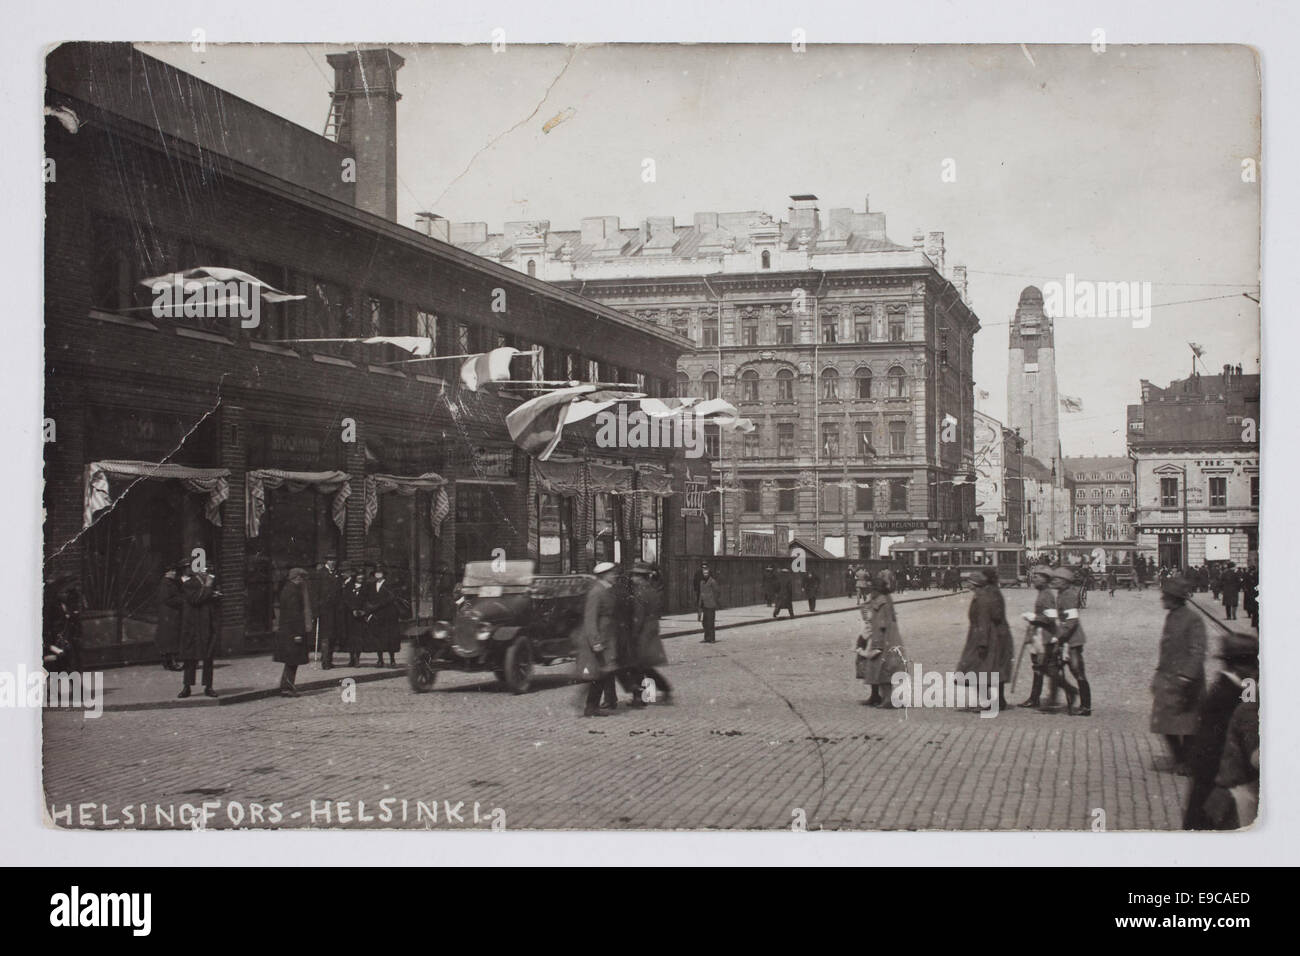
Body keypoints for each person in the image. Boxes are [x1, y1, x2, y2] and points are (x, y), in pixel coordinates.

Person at [1184, 632, 1259, 830]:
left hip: (1212, 783)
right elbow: (1215, 748)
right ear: (1243, 665)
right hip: (1217, 787)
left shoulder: (1226, 689)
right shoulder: (1230, 696)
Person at [1150, 574, 1207, 773]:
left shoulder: (1193, 619)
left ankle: (1187, 761)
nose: (1162, 599)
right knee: (1165, 723)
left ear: (1174, 597)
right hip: (1168, 678)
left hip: (1185, 680)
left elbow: (1198, 650)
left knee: (1187, 724)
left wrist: (1187, 677)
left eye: (1165, 596)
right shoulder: (1173, 615)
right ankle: (1181, 758)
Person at [956, 568, 1014, 710]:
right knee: (992, 669)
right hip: (993, 635)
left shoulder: (982, 597)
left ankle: (988, 702)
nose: (967, 584)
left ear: (975, 584)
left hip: (984, 636)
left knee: (978, 668)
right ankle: (998, 701)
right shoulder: (991, 592)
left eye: (969, 582)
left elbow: (984, 620)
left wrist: (982, 642)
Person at [1018, 564, 1072, 711]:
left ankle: (1068, 691)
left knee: (1046, 668)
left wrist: (1033, 617)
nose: (1033, 579)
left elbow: (1050, 618)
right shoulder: (1043, 593)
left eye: (1036, 577)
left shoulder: (1047, 595)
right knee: (1039, 667)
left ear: (1044, 579)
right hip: (1039, 635)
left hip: (1046, 636)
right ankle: (1035, 698)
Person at [855, 571, 907, 707]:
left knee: (884, 668)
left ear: (877, 590)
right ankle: (875, 695)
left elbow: (881, 624)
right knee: (872, 667)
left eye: (872, 589)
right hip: (877, 637)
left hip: (883, 639)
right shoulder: (878, 600)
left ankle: (888, 699)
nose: (870, 592)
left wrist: (876, 643)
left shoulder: (881, 602)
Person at [576, 562, 620, 717]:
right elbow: (590, 619)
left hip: (607, 638)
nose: (614, 576)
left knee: (603, 672)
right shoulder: (597, 592)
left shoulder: (607, 590)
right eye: (612, 573)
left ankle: (591, 706)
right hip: (599, 639)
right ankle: (590, 707)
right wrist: (595, 641)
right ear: (604, 575)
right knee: (599, 672)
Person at [1048, 566, 1092, 716]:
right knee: (1052, 667)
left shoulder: (1068, 596)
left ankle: (1086, 706)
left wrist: (1059, 637)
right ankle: (1068, 692)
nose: (1053, 581)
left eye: (1057, 579)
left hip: (1073, 640)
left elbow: (1072, 620)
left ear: (1065, 582)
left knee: (1077, 672)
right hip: (1065, 638)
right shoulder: (1061, 593)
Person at [629, 561, 672, 704]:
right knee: (645, 665)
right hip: (651, 628)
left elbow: (638, 615)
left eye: (635, 575)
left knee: (638, 665)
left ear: (641, 577)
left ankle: (641, 697)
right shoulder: (651, 589)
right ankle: (658, 691)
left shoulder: (640, 591)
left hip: (643, 632)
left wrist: (633, 633)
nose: (632, 578)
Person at [177, 564, 222, 699]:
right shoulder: (189, 584)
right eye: (205, 570)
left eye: (208, 570)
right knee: (190, 657)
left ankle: (209, 686)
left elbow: (208, 598)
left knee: (208, 656)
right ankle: (187, 686)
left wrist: (215, 595)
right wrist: (208, 588)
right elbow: (195, 599)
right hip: (193, 626)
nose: (207, 573)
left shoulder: (212, 583)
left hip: (207, 624)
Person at [274, 567, 313, 697]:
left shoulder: (288, 589)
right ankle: (287, 687)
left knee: (291, 660)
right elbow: (294, 614)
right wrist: (297, 633)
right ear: (297, 578)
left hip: (288, 631)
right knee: (292, 660)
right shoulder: (292, 591)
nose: (302, 581)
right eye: (301, 578)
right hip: (292, 632)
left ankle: (286, 686)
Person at [311, 555, 344, 669]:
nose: (333, 562)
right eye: (330, 560)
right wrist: (315, 611)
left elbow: (340, 592)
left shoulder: (338, 574)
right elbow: (314, 593)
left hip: (336, 611)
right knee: (326, 636)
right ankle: (325, 662)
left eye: (334, 560)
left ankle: (329, 660)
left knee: (333, 636)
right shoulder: (320, 574)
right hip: (324, 610)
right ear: (326, 561)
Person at [365, 565, 401, 667]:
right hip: (377, 615)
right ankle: (380, 659)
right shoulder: (372, 585)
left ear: (384, 574)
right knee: (378, 638)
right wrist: (369, 607)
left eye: (380, 573)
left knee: (390, 637)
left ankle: (392, 660)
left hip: (388, 614)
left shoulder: (389, 585)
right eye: (376, 573)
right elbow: (369, 597)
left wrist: (376, 605)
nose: (378, 575)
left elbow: (390, 598)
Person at [154, 561, 186, 672]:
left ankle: (167, 662)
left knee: (168, 638)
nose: (174, 573)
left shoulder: (168, 583)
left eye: (174, 571)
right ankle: (172, 662)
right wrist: (183, 600)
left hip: (169, 614)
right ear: (166, 573)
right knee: (171, 639)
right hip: (170, 614)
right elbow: (168, 599)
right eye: (171, 571)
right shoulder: (166, 584)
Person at [343, 564, 367, 667]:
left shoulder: (367, 587)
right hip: (350, 616)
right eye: (358, 575)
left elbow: (368, 600)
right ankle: (351, 658)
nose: (360, 577)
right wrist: (352, 609)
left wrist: (364, 611)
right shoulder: (349, 586)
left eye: (362, 575)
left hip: (361, 616)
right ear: (355, 577)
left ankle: (357, 658)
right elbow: (346, 599)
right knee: (350, 637)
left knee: (359, 637)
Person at [697, 564, 722, 643]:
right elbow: (701, 593)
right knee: (704, 622)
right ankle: (706, 637)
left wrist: (713, 600)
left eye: (706, 573)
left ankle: (712, 638)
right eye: (704, 573)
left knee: (710, 622)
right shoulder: (701, 582)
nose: (705, 575)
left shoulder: (712, 581)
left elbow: (717, 592)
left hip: (711, 605)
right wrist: (700, 603)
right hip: (704, 604)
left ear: (709, 573)